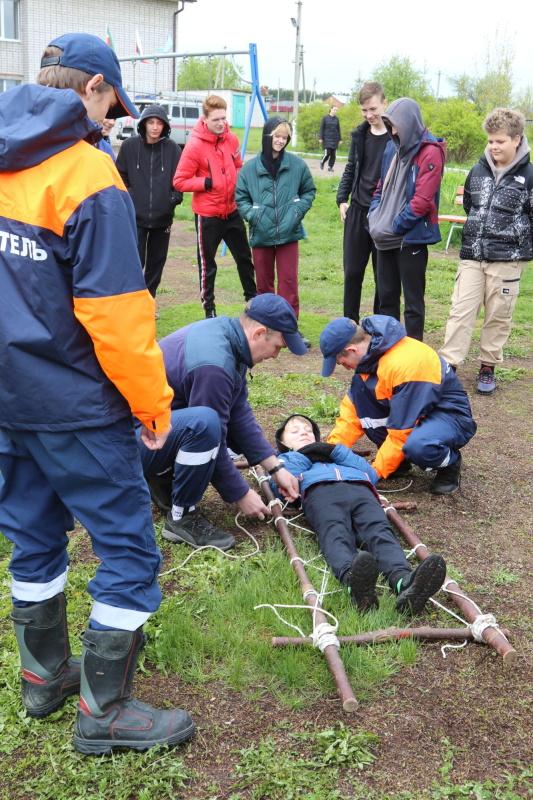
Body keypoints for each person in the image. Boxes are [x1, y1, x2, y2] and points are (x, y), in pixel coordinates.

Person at [0, 33, 194, 755]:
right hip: (75, 407)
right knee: (128, 555)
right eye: (113, 104)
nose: (115, 119)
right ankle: (103, 712)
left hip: (7, 403)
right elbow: (115, 313)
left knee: (33, 537)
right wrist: (151, 404)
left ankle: (41, 678)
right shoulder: (88, 175)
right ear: (91, 90)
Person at [141, 294, 306, 550]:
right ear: (259, 333)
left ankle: (160, 476)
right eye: (277, 347)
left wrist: (275, 467)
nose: (275, 356)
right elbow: (211, 436)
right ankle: (181, 518)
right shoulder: (215, 365)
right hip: (131, 441)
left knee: (205, 422)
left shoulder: (227, 335)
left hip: (151, 430)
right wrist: (241, 494)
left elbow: (238, 411)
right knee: (204, 425)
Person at [272, 414, 447, 615]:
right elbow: (281, 485)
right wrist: (305, 454)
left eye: (308, 430)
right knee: (335, 533)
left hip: (361, 491)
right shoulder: (282, 459)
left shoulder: (336, 454)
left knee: (379, 532)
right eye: (294, 431)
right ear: (283, 443)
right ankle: (353, 583)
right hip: (321, 493)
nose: (303, 432)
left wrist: (333, 450)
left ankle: (404, 582)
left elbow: (371, 475)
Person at [319, 315, 477, 495]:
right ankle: (398, 462)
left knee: (419, 447)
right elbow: (351, 415)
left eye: (341, 362)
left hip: (448, 414)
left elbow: (402, 430)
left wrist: (374, 472)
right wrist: (329, 453)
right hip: (413, 413)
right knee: (365, 407)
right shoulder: (369, 361)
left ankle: (449, 461)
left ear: (352, 349)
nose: (345, 367)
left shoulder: (405, 363)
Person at [439, 108, 533, 395]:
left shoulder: (529, 175)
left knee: (498, 315)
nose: (493, 147)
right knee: (460, 311)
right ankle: (448, 366)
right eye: (491, 141)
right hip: (472, 255)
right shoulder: (478, 169)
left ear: (516, 139)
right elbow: (470, 204)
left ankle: (488, 366)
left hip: (508, 259)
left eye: (500, 141)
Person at [368, 98, 446, 341]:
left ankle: (413, 356)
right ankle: (389, 351)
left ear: (408, 123)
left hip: (409, 238)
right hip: (383, 239)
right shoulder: (392, 147)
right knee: (387, 299)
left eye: (395, 125)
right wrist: (374, 215)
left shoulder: (430, 152)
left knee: (413, 303)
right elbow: (381, 186)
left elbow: (423, 200)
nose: (392, 131)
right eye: (389, 125)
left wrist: (395, 226)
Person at [173, 94, 257, 318]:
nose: (221, 123)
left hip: (232, 210)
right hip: (208, 215)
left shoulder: (232, 139)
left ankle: (253, 301)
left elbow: (238, 166)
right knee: (208, 265)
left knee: (244, 258)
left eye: (223, 118)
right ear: (205, 119)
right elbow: (179, 181)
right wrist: (205, 183)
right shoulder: (194, 146)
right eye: (216, 119)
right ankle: (209, 310)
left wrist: (242, 186)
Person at [236, 117, 316, 347]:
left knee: (289, 283)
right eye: (277, 136)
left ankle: (290, 331)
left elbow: (309, 190)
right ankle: (266, 329)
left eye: (284, 137)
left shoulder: (297, 165)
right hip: (261, 234)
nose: (281, 141)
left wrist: (296, 212)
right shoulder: (250, 168)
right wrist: (254, 216)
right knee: (264, 284)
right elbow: (240, 197)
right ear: (267, 137)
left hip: (289, 234)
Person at [116, 104, 183, 298]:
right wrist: (130, 196)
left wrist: (173, 198)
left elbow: (180, 177)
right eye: (151, 122)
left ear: (165, 126)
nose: (155, 127)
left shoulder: (172, 149)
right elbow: (119, 174)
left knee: (157, 262)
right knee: (135, 261)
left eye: (159, 123)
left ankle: (149, 299)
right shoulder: (130, 146)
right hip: (136, 217)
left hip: (163, 217)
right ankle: (133, 300)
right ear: (144, 124)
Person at [336, 82, 389, 322]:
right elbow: (351, 168)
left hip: (383, 215)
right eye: (364, 110)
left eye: (373, 109)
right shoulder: (360, 135)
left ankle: (379, 327)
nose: (369, 115)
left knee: (383, 276)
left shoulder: (395, 136)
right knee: (353, 272)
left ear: (384, 104)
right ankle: (350, 324)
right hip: (357, 212)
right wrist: (342, 200)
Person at [319, 105, 342, 172]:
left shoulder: (336, 119)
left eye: (336, 110)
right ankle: (322, 162)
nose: (335, 111)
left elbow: (338, 129)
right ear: (331, 109)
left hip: (335, 138)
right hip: (327, 138)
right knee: (327, 153)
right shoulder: (325, 118)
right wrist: (321, 138)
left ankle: (330, 167)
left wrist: (340, 139)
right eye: (334, 109)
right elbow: (321, 128)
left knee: (333, 155)